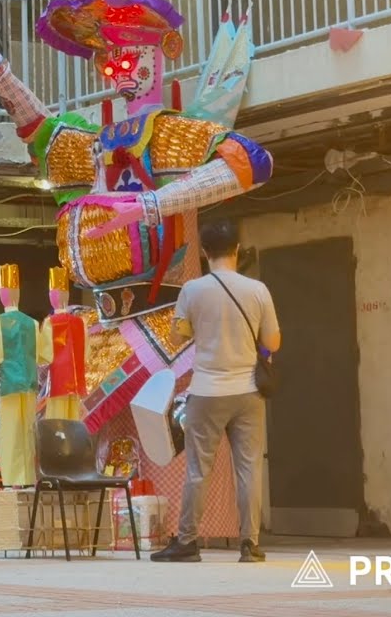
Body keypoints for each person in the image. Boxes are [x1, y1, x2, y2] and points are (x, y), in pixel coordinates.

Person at [150, 220, 281, 564]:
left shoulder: (192, 291)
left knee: (198, 470)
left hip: (206, 391)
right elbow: (273, 341)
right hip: (248, 392)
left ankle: (188, 542)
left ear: (204, 252)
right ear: (237, 249)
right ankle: (249, 544)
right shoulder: (258, 290)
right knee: (249, 469)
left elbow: (177, 337)